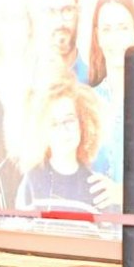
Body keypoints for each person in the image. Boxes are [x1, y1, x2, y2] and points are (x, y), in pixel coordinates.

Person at [16, 80, 119, 216]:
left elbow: (105, 234)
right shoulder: (32, 180)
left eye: (69, 120)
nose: (63, 130)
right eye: (53, 124)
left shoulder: (96, 188)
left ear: (83, 123)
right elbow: (21, 233)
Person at [85, 0, 134, 202]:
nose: (116, 39)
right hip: (93, 228)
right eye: (107, 29)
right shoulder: (87, 103)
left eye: (123, 28)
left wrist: (124, 193)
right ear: (97, 35)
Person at [29, 0, 88, 85]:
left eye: (67, 10)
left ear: (79, 13)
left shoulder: (94, 86)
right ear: (38, 16)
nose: (59, 22)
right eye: (51, 12)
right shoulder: (25, 82)